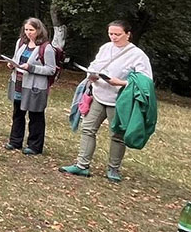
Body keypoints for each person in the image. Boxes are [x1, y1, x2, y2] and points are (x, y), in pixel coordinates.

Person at [60, 20, 153, 182]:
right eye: (111, 34)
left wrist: (122, 82)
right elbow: (95, 65)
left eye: (118, 34)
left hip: (119, 100)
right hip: (98, 94)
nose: (114, 37)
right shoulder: (105, 48)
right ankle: (82, 165)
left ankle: (113, 169)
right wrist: (92, 74)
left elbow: (145, 82)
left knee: (117, 135)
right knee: (88, 129)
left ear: (128, 34)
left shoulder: (137, 55)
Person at [3, 18, 58, 154]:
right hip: (19, 83)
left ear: (39, 30)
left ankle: (34, 146)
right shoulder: (21, 42)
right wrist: (12, 64)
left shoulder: (46, 48)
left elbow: (51, 69)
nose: (28, 33)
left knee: (35, 115)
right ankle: (15, 141)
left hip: (35, 87)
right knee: (18, 113)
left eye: (31, 30)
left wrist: (31, 68)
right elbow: (17, 59)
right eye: (26, 29)